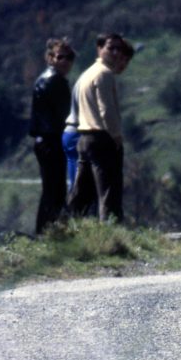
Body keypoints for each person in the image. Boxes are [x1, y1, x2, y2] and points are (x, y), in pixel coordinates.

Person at [68, 33, 130, 223]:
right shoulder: (104, 73)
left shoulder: (88, 73)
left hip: (84, 138)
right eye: (111, 48)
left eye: (119, 49)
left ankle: (66, 226)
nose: (116, 52)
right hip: (102, 137)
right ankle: (111, 230)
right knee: (109, 192)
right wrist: (116, 136)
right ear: (99, 49)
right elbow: (106, 110)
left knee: (82, 192)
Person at [29, 37, 75, 235]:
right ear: (50, 58)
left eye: (69, 57)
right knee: (54, 191)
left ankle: (47, 232)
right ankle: (47, 233)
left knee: (52, 190)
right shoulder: (54, 81)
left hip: (47, 140)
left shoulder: (48, 79)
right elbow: (63, 116)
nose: (65, 61)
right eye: (60, 57)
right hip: (51, 141)